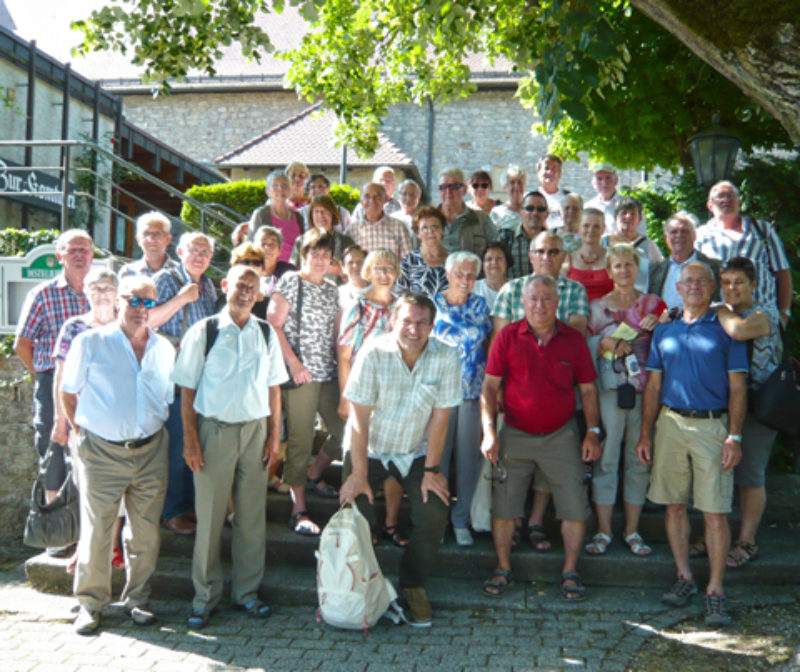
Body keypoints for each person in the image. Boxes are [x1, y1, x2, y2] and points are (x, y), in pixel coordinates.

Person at [173, 265, 288, 630]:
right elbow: (187, 391)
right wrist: (191, 441)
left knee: (251, 518)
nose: (246, 292)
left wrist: (274, 437)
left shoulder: (266, 333)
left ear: (259, 294)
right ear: (225, 286)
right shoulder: (203, 332)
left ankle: (247, 594)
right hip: (214, 432)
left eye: (253, 288)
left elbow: (274, 388)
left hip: (254, 432)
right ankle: (204, 599)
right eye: (240, 285)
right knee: (208, 519)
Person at [60, 275, 175, 635]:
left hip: (151, 450)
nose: (142, 309)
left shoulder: (164, 349)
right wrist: (82, 434)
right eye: (134, 301)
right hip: (101, 452)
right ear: (118, 302)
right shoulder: (90, 342)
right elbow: (68, 392)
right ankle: (91, 604)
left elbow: (166, 397)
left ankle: (137, 600)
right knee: (97, 530)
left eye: (148, 302)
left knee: (144, 532)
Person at [339, 293, 462, 628]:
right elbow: (358, 418)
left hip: (415, 451)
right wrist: (359, 473)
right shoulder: (372, 352)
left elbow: (441, 418)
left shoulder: (447, 356)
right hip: (371, 448)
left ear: (432, 325)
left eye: (422, 322)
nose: (413, 328)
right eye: (407, 320)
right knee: (354, 511)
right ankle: (366, 586)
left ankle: (412, 584)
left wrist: (433, 471)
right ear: (394, 320)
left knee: (434, 510)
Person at [636, 261, 747, 627]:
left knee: (715, 512)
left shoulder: (726, 330)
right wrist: (644, 433)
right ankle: (684, 577)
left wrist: (734, 435)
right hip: (669, 424)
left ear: (711, 287)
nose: (695, 286)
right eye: (689, 281)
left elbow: (737, 387)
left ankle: (715, 590)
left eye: (702, 281)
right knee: (674, 506)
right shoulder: (664, 331)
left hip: (713, 427)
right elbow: (652, 386)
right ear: (678, 288)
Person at [480, 275, 601, 600]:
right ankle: (503, 567)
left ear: (557, 302)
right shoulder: (507, 336)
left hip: (562, 436)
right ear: (524, 302)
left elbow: (588, 390)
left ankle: (570, 571)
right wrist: (490, 431)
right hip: (516, 433)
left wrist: (593, 431)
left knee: (575, 507)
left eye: (547, 298)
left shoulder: (573, 340)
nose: (540, 305)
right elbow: (490, 387)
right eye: (534, 299)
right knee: (504, 506)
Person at [490, 231, 589, 551]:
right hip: (516, 389)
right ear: (530, 255)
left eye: (554, 251)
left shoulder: (575, 290)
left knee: (551, 461)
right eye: (540, 251)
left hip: (557, 385)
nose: (547, 257)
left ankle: (535, 520)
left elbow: (574, 333)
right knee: (514, 466)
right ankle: (514, 523)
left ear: (564, 256)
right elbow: (500, 338)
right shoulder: (511, 289)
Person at [584, 244, 666, 556]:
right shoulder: (596, 307)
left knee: (639, 457)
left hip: (646, 391)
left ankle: (632, 531)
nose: (623, 271)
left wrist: (662, 323)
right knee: (607, 458)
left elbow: (672, 331)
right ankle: (604, 532)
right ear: (609, 271)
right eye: (617, 266)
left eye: (628, 265)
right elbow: (585, 348)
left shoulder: (653, 304)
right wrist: (603, 341)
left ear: (637, 268)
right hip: (608, 391)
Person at [267, 229, 344, 536]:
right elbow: (273, 326)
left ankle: (314, 473)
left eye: (325, 254)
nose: (319, 259)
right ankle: (299, 508)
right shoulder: (290, 280)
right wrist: (294, 363)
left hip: (328, 373)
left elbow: (337, 331)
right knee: (300, 439)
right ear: (304, 254)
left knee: (344, 434)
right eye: (314, 253)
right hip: (300, 375)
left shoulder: (331, 286)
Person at [14, 229, 92, 524]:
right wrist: (45, 377)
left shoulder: (100, 294)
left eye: (84, 249)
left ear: (92, 255)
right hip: (53, 382)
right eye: (72, 250)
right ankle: (55, 528)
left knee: (91, 448)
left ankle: (86, 525)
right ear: (60, 256)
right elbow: (22, 344)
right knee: (53, 446)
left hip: (92, 384)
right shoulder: (43, 294)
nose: (79, 255)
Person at [52, 269, 123, 573]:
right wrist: (61, 419)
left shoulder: (126, 327)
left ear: (117, 294)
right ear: (87, 293)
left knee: (120, 486)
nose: (102, 293)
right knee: (87, 483)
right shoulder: (74, 326)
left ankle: (114, 544)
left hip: (120, 420)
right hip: (83, 419)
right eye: (95, 288)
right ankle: (87, 544)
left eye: (107, 288)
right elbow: (61, 376)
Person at [715, 256, 782, 569]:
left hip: (760, 406)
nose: (731, 288)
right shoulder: (727, 312)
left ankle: (747, 540)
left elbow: (739, 332)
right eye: (726, 282)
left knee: (751, 474)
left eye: (738, 282)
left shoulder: (763, 313)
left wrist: (717, 309)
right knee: (721, 472)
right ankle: (718, 537)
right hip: (725, 404)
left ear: (753, 284)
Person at [337, 248, 407, 548]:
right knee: (360, 454)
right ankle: (363, 525)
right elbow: (343, 355)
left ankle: (391, 523)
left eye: (389, 267)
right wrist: (345, 398)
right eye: (378, 267)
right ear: (368, 270)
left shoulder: (402, 307)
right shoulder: (358, 306)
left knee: (394, 457)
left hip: (395, 392)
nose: (384, 273)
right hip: (363, 393)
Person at [150, 231, 218, 536]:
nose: (200, 256)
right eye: (194, 250)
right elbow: (148, 320)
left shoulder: (209, 285)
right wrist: (181, 299)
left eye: (205, 251)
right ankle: (172, 511)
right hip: (172, 377)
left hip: (199, 376)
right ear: (179, 251)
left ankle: (187, 506)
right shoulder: (165, 280)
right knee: (177, 443)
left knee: (194, 443)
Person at [432, 252, 492, 546]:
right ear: (447, 273)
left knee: (469, 460)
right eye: (459, 273)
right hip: (437, 395)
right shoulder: (431, 304)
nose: (465, 280)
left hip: (471, 393)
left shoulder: (481, 305)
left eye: (471, 275)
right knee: (437, 459)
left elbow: (491, 346)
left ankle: (461, 519)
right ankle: (436, 519)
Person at [696, 180, 792, 326]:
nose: (725, 200)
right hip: (715, 320)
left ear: (739, 202)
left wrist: (784, 313)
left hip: (761, 318)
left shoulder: (762, 230)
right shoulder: (700, 236)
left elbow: (782, 273)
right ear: (709, 206)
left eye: (730, 196)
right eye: (720, 196)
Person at [649, 212, 721, 310]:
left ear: (694, 236)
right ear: (666, 238)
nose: (679, 235)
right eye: (674, 232)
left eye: (684, 231)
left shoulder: (716, 268)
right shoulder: (654, 271)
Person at [601, 197, 663, 292]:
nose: (628, 216)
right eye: (624, 213)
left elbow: (658, 277)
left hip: (640, 303)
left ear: (639, 219)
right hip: (609, 300)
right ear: (615, 218)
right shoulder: (604, 243)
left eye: (633, 213)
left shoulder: (649, 246)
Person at [290, 194, 355, 283]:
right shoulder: (301, 241)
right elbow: (292, 273)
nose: (320, 215)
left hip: (337, 293)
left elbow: (355, 278)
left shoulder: (346, 242)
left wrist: (340, 271)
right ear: (311, 216)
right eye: (316, 211)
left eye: (325, 211)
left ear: (333, 214)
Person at [347, 182, 414, 262]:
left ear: (385, 200)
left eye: (377, 196)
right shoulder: (351, 230)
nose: (372, 200)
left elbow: (408, 262)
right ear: (361, 201)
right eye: (367, 196)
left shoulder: (399, 227)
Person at [248, 170, 305, 263]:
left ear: (290, 190)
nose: (280, 189)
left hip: (294, 270)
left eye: (284, 186)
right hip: (269, 270)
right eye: (275, 186)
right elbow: (251, 244)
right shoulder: (261, 214)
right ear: (268, 191)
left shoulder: (298, 217)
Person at [438, 167, 497, 255]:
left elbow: (497, 253)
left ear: (464, 190)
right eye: (443, 187)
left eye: (454, 187)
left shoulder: (481, 220)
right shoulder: (428, 221)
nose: (448, 191)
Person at [396, 206, 449, 296]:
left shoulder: (453, 260)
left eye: (435, 227)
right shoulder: (409, 262)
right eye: (424, 228)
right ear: (418, 233)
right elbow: (399, 295)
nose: (430, 231)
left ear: (442, 230)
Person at [498, 190, 549, 279]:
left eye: (540, 209)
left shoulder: (553, 242)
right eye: (530, 208)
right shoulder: (506, 237)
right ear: (520, 212)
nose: (535, 213)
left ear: (547, 214)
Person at [566, 208, 614, 303]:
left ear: (603, 229)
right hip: (576, 314)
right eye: (586, 226)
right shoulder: (567, 260)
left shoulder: (613, 258)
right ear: (578, 228)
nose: (591, 230)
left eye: (596, 226)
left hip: (608, 314)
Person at [118, 212, 180, 279]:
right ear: (138, 239)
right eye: (146, 234)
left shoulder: (180, 273)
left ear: (168, 239)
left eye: (157, 234)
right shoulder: (128, 272)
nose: (151, 239)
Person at [253, 224, 296, 301]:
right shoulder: (246, 270)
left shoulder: (289, 272)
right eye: (263, 243)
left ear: (279, 251)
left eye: (272, 244)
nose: (267, 247)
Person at [473, 242, 512, 311]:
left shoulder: (518, 287)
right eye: (489, 259)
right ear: (482, 264)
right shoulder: (473, 288)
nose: (494, 262)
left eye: (499, 258)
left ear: (506, 262)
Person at [535, 154, 570, 228]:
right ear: (538, 171)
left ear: (560, 173)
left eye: (554, 168)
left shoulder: (569, 198)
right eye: (546, 168)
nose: (550, 172)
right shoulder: (531, 198)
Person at [585, 163, 622, 234]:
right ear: (593, 183)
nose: (604, 183)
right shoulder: (588, 207)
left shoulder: (628, 206)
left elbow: (640, 236)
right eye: (599, 179)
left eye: (608, 178)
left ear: (616, 180)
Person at [489, 165, 526, 231]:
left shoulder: (533, 210)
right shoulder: (497, 213)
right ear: (505, 187)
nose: (516, 187)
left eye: (520, 182)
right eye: (512, 182)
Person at [338, 244, 370, 311]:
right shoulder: (338, 294)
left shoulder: (380, 290)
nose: (355, 266)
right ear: (343, 267)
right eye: (350, 263)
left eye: (360, 262)